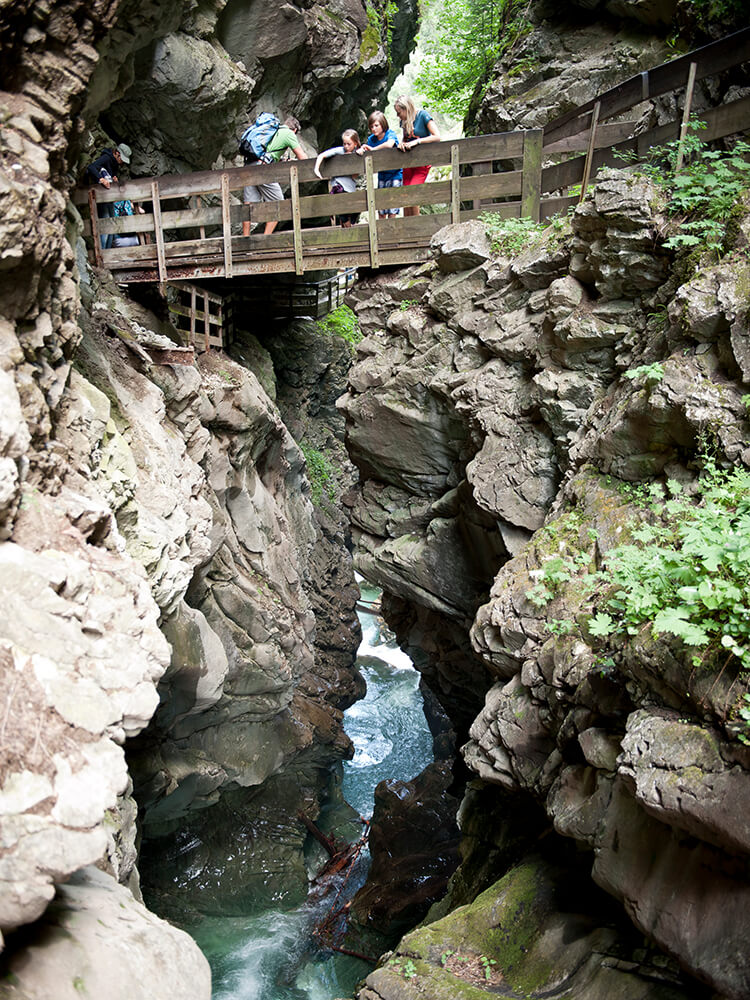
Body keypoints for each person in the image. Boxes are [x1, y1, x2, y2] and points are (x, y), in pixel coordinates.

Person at [242, 115, 306, 236]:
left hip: (249, 166)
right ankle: (266, 238)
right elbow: (303, 158)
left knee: (248, 206)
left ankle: (244, 241)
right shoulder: (289, 134)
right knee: (279, 204)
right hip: (263, 169)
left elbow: (270, 152)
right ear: (295, 130)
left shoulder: (273, 130)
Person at [394, 96, 441, 217]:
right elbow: (406, 138)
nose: (398, 116)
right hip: (408, 162)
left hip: (422, 162)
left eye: (399, 113)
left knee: (413, 192)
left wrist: (418, 142)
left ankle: (415, 225)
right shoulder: (404, 122)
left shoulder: (423, 116)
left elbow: (437, 136)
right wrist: (402, 144)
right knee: (405, 194)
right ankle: (407, 225)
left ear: (406, 109)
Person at [85, 143, 132, 248]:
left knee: (112, 224)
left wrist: (115, 181)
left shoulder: (115, 165)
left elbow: (110, 178)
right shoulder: (106, 158)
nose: (122, 163)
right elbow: (91, 167)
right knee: (106, 224)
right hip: (102, 197)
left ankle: (107, 251)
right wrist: (100, 179)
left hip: (109, 198)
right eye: (122, 159)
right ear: (116, 153)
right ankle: (103, 252)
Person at [356, 111, 402, 219]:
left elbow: (390, 144)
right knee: (381, 208)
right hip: (382, 175)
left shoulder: (390, 134)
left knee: (392, 207)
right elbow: (366, 149)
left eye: (376, 125)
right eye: (371, 126)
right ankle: (381, 233)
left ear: (383, 124)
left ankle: (391, 233)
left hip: (395, 174)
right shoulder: (371, 139)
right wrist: (362, 149)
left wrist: (373, 149)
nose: (374, 129)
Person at [313, 129, 361, 228]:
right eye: (344, 144)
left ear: (355, 144)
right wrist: (316, 169)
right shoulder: (340, 151)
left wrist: (358, 154)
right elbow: (322, 155)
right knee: (341, 207)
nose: (346, 146)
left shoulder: (357, 153)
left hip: (350, 188)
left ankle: (347, 229)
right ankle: (346, 227)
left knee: (353, 211)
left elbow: (355, 175)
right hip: (339, 186)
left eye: (349, 144)